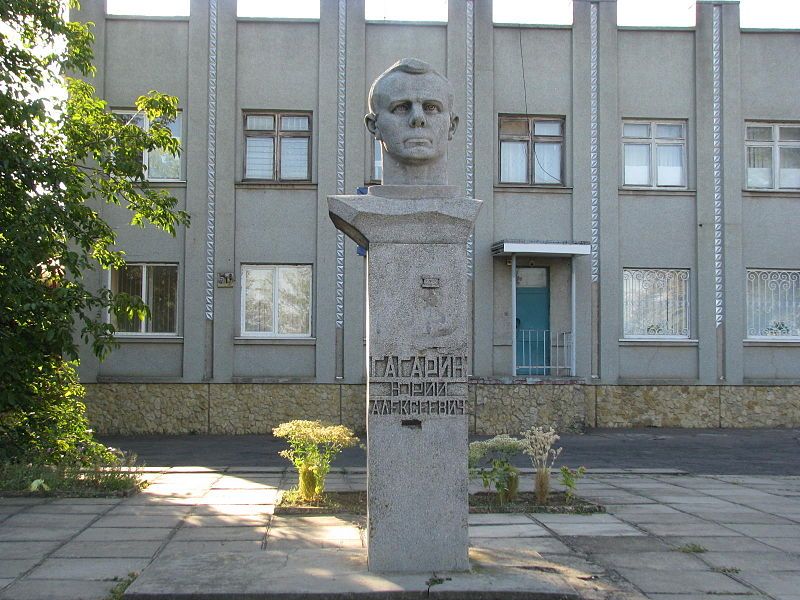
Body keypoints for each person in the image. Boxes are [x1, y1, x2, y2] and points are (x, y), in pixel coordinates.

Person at [365, 58, 459, 186]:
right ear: (374, 125)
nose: (418, 119)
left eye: (431, 107)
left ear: (452, 126)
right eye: (401, 107)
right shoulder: (350, 207)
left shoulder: (471, 207)